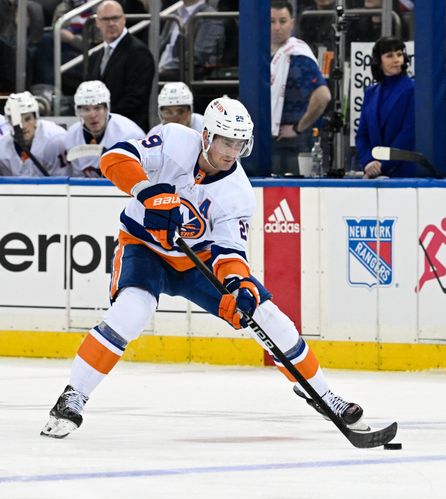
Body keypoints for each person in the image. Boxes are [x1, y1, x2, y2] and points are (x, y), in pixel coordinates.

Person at [40, 96, 368, 439]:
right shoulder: (174, 139)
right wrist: (147, 191)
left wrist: (239, 287)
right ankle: (72, 397)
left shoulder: (238, 193)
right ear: (208, 135)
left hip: (200, 263)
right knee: (131, 311)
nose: (232, 151)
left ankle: (322, 394)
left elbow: (228, 254)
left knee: (267, 314)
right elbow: (115, 158)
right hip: (144, 249)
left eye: (240, 143)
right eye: (226, 141)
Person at [270, 0, 331, 175]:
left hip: (294, 142)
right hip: (268, 139)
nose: (277, 27)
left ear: (292, 23)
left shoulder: (298, 55)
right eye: (272, 21)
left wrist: (298, 127)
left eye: (282, 21)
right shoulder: (262, 53)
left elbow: (323, 95)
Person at [87, 0, 155, 131]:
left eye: (115, 18)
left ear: (123, 19)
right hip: (100, 130)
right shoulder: (96, 55)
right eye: (106, 19)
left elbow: (136, 98)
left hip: (128, 131)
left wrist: (104, 118)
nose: (111, 23)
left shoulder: (139, 52)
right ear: (97, 22)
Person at [355, 37, 416, 178]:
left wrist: (382, 165)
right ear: (378, 62)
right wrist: (368, 162)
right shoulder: (370, 93)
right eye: (389, 56)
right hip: (375, 173)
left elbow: (408, 134)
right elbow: (362, 135)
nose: (396, 60)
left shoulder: (413, 90)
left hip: (403, 174)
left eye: (399, 54)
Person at [64, 80, 145, 177]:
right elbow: (75, 178)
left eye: (97, 108)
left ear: (107, 109)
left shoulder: (130, 134)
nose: (92, 115)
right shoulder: (72, 135)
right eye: (86, 109)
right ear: (78, 112)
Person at [0, 91, 68, 177]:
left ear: (36, 118)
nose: (23, 126)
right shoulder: (2, 147)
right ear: (8, 122)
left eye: (27, 119)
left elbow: (63, 183)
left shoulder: (55, 139)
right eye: (16, 121)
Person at [157, 0, 225, 81]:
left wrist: (164, 68)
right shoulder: (174, 14)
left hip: (185, 74)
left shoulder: (210, 17)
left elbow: (199, 55)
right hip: (162, 70)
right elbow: (161, 45)